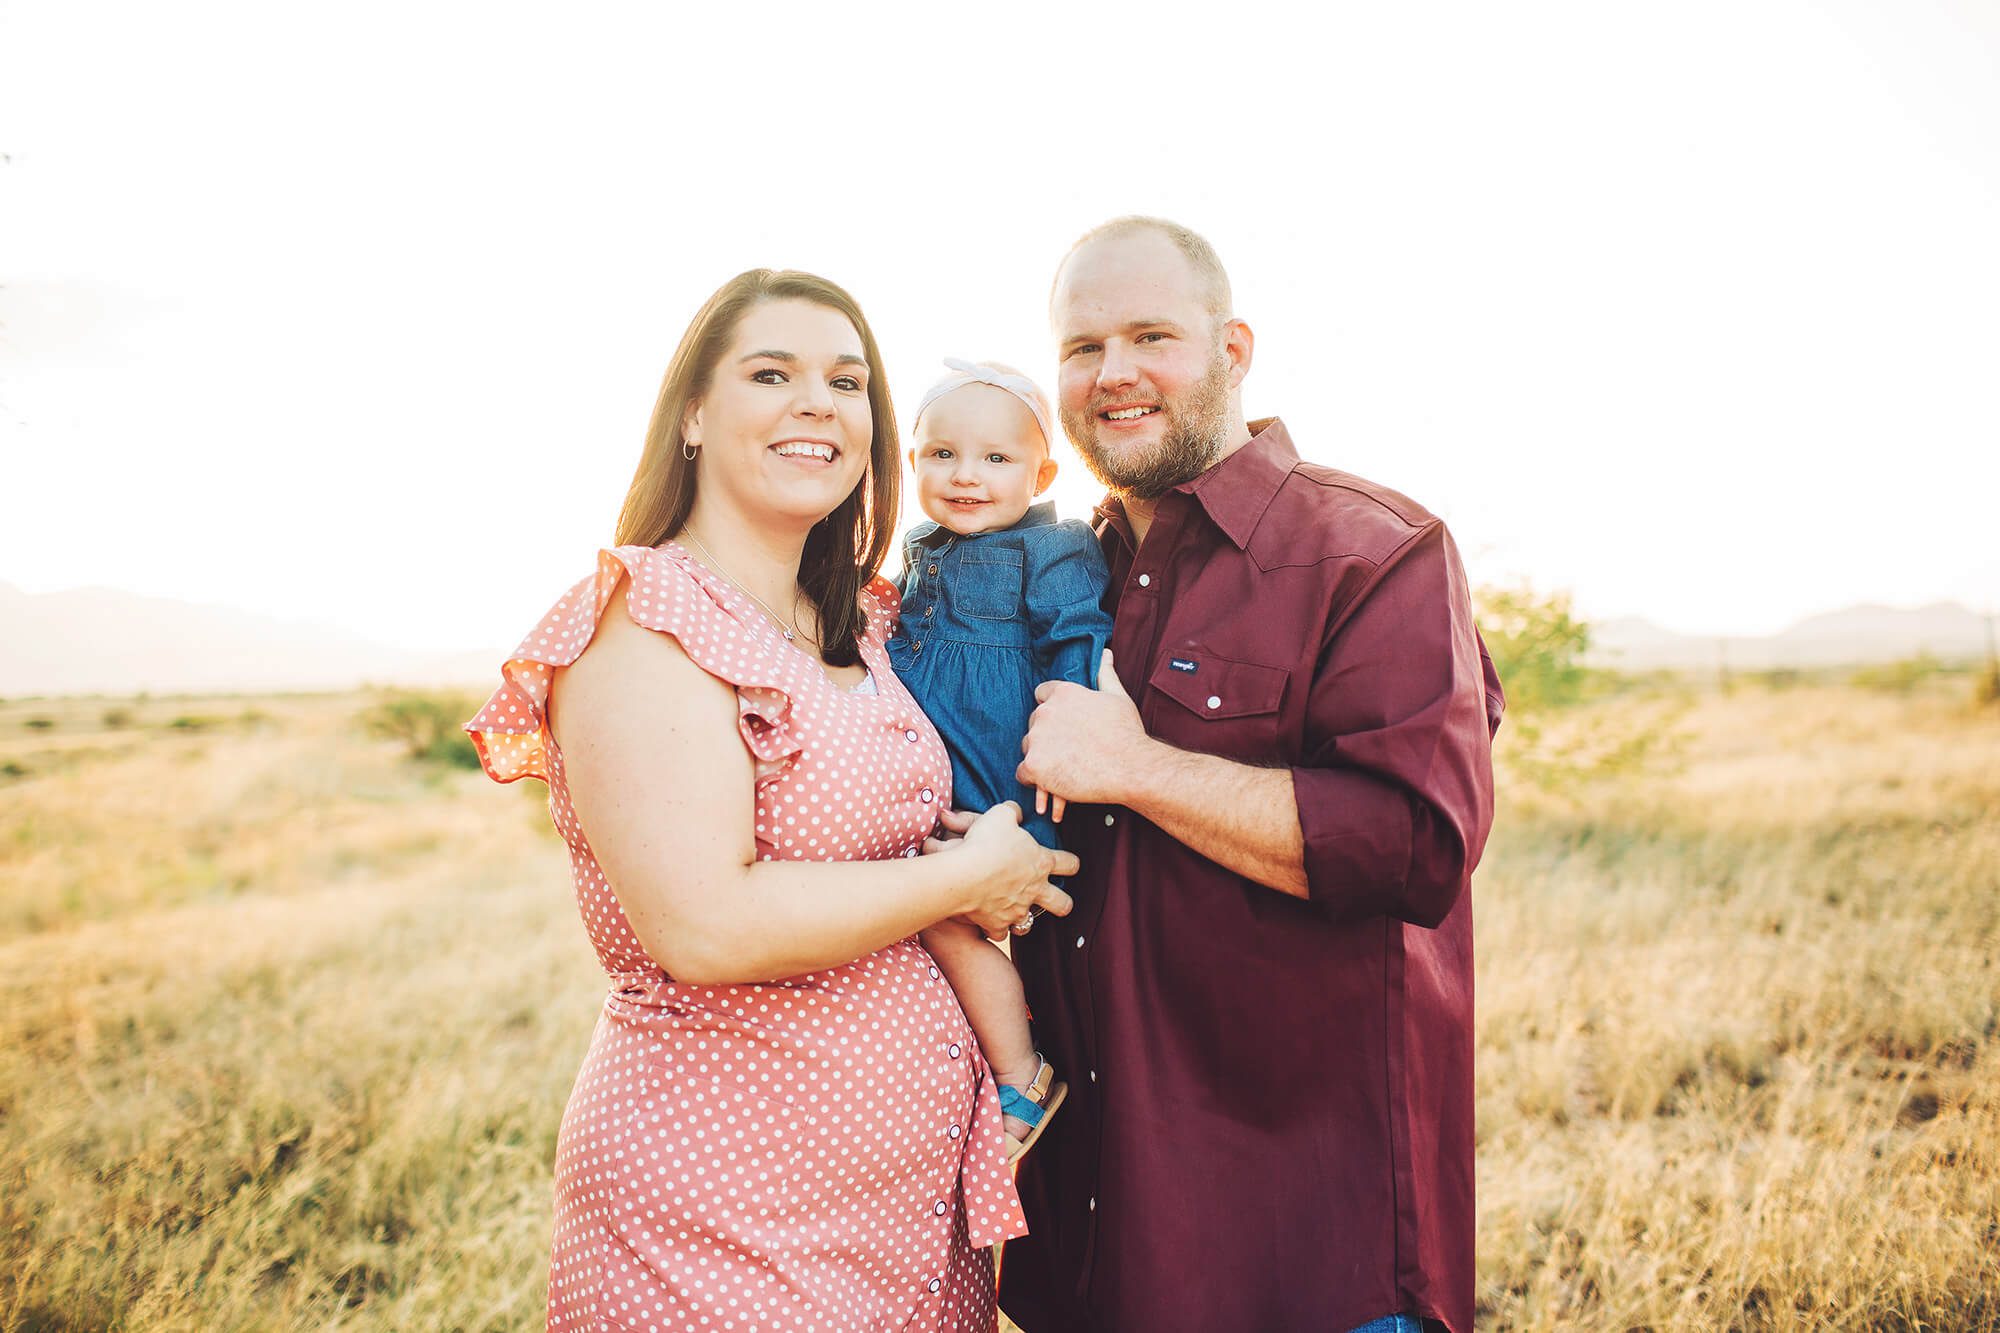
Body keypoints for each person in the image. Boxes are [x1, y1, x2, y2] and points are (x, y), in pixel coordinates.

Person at [464, 269, 1077, 1333]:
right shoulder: (640, 622)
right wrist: (971, 875)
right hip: (724, 1224)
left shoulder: (874, 620)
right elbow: (705, 923)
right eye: (771, 372)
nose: (818, 402)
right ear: (693, 414)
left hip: (908, 1234)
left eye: (846, 382)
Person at [996, 218, 1504, 1333]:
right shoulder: (1051, 578)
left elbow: (1412, 846)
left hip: (1303, 1253)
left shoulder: (1372, 551)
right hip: (1092, 1253)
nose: (1112, 372)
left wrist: (1135, 769)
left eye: (1149, 336)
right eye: (1082, 347)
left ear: (1233, 348)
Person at [886, 359, 1114, 1159]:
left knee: (944, 918)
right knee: (907, 917)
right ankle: (968, 1068)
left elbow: (1078, 640)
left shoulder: (1052, 546)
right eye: (941, 455)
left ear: (1041, 472)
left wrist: (1063, 746)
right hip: (930, 773)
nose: (965, 476)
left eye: (994, 458)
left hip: (1001, 784)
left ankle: (1023, 1072)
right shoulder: (920, 548)